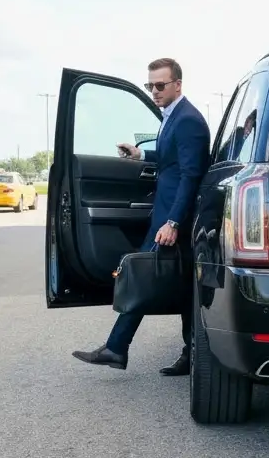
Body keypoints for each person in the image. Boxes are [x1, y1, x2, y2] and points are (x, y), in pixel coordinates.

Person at [73, 57, 210, 376]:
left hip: (176, 220)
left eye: (160, 85)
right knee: (181, 286)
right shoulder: (173, 116)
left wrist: (174, 222)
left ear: (178, 84)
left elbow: (191, 174)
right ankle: (181, 353)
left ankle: (116, 347)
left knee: (141, 280)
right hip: (165, 215)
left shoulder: (188, 119)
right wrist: (140, 155)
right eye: (150, 86)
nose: (154, 91)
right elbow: (170, 160)